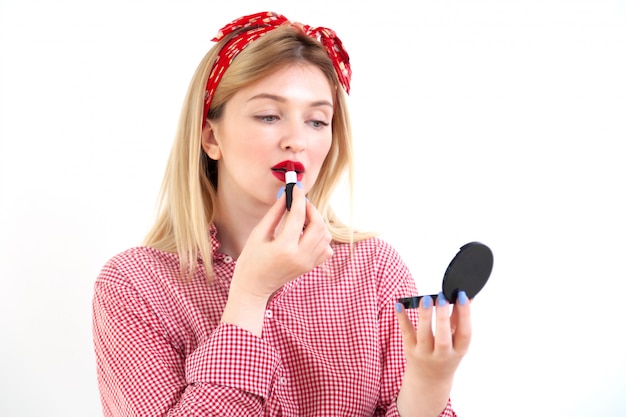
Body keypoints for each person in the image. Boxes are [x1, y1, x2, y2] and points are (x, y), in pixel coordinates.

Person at [92, 11, 471, 417]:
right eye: (269, 116)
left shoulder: (374, 269)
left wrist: (430, 385)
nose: (297, 141)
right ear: (211, 137)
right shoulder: (133, 287)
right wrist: (250, 295)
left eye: (316, 121)